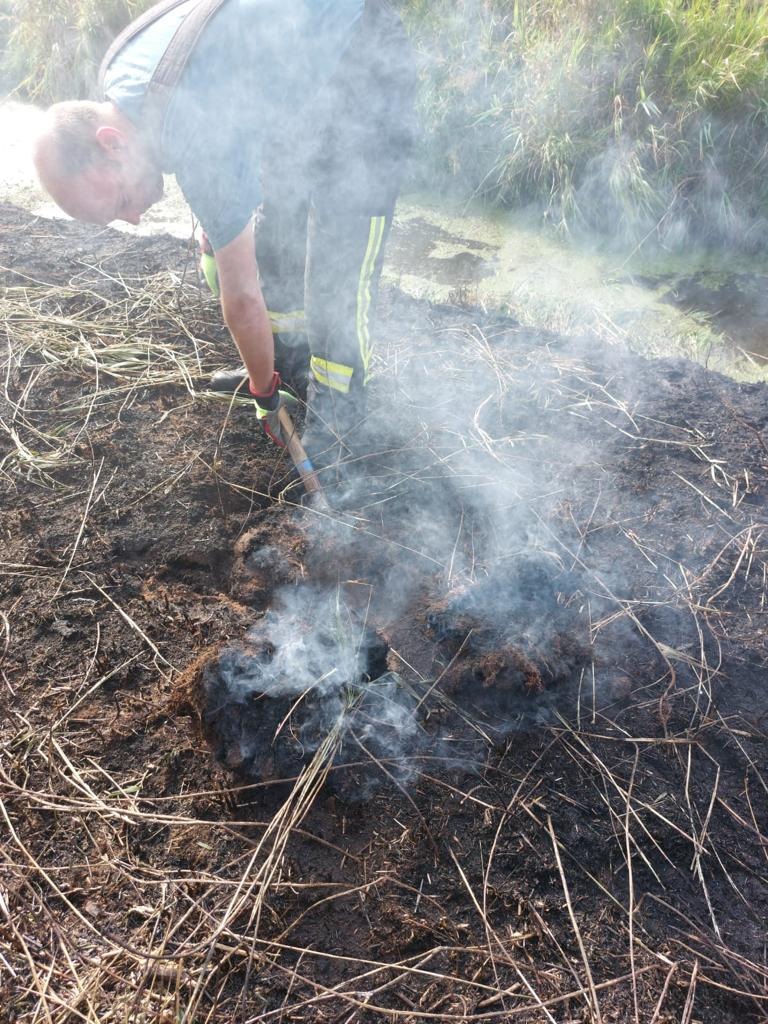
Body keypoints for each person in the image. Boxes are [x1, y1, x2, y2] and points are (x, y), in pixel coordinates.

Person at [33, 0, 416, 480]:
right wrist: (218, 230)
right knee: (279, 224)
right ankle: (288, 365)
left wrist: (262, 396)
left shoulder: (184, 126)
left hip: (363, 61)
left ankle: (343, 412)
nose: (132, 219)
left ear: (111, 142)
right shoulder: (123, 72)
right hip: (298, 88)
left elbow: (241, 298)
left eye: (121, 202)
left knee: (341, 254)